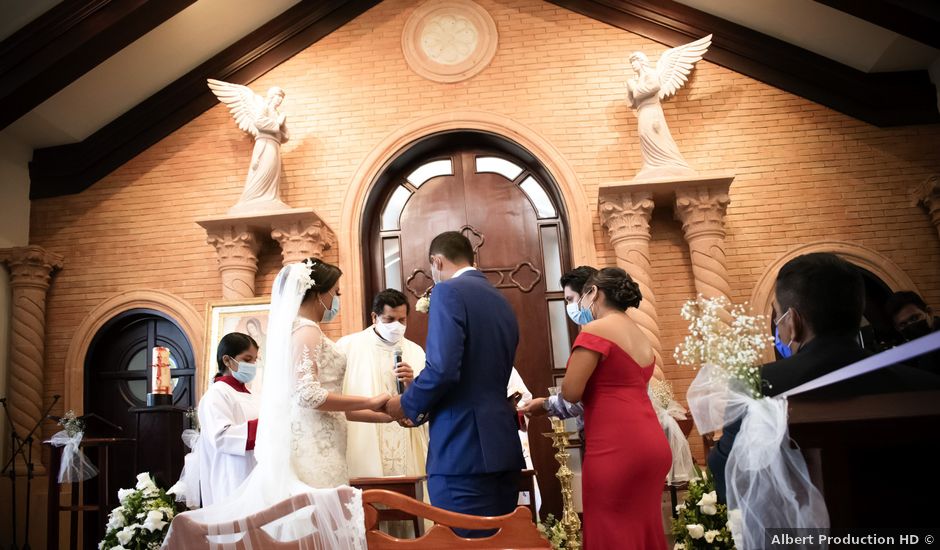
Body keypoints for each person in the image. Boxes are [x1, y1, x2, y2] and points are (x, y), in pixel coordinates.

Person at [165, 259, 388, 547]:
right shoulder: (307, 331)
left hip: (323, 439)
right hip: (314, 448)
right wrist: (371, 400)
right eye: (336, 292)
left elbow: (330, 409)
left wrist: (382, 413)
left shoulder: (298, 331)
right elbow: (307, 395)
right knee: (315, 527)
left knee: (313, 528)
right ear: (318, 293)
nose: (338, 300)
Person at [709, 253, 940, 503]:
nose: (777, 324)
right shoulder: (927, 388)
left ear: (793, 321)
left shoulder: (757, 384)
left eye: (777, 315)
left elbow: (730, 480)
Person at [384, 231, 525, 538]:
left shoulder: (448, 292)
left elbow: (444, 369)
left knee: (462, 542)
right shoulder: (500, 301)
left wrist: (406, 405)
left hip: (462, 449)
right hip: (502, 445)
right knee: (500, 543)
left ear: (437, 261)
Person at [560, 267, 671, 550]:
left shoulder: (595, 330)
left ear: (594, 292)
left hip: (616, 447)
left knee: (609, 529)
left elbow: (571, 392)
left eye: (582, 297)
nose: (580, 307)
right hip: (652, 444)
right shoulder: (641, 336)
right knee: (643, 528)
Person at [335, 289, 429, 479]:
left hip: (407, 439)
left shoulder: (416, 351)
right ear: (374, 317)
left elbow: (426, 399)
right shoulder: (348, 347)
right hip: (364, 439)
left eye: (402, 320)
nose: (397, 326)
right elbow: (337, 398)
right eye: (389, 319)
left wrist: (411, 383)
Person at [196, 332, 261, 506]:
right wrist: (268, 426)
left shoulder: (252, 395)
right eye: (247, 360)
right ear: (227, 360)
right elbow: (222, 437)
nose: (252, 365)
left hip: (256, 473)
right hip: (232, 475)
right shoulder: (216, 394)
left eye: (255, 360)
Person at [885, 291, 939, 372]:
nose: (911, 326)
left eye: (914, 318)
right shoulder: (904, 356)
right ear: (897, 328)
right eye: (903, 324)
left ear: (929, 312)